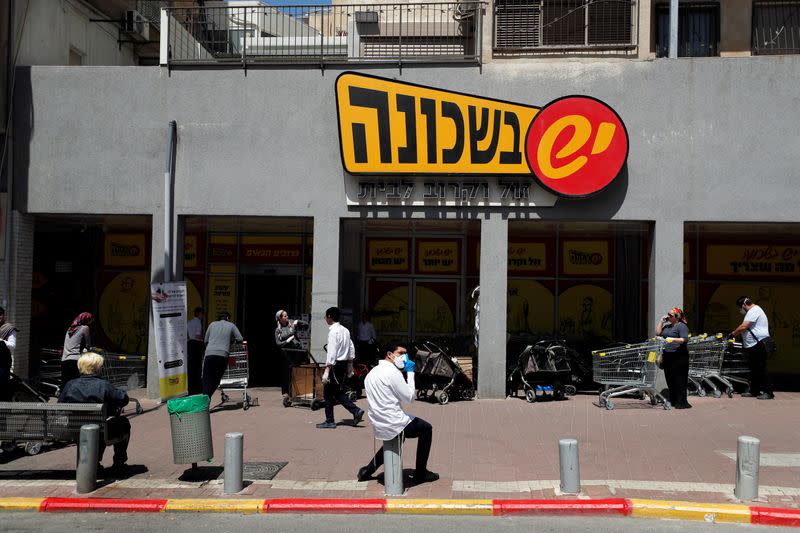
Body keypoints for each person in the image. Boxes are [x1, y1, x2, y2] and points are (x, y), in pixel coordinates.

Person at [356, 341, 439, 485]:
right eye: (401, 353)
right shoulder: (392, 372)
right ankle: (421, 472)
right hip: (394, 421)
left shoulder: (372, 372)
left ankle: (367, 471)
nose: (404, 357)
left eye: (406, 354)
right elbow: (410, 397)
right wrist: (411, 373)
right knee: (426, 429)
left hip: (378, 421)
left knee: (397, 437)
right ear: (389, 355)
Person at [58, 352, 130, 472]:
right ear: (97, 368)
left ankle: (94, 462)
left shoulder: (70, 385)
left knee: (100, 425)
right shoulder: (104, 385)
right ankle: (119, 461)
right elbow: (123, 399)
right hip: (101, 430)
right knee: (124, 422)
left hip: (75, 430)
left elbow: (60, 404)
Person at [316, 306, 363, 429]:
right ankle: (336, 417)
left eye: (326, 316)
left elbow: (331, 353)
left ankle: (349, 413)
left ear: (330, 317)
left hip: (335, 365)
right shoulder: (345, 330)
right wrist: (350, 366)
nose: (325, 319)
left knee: (332, 393)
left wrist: (327, 371)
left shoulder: (333, 332)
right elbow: (351, 348)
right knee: (334, 392)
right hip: (342, 365)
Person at [731, 296, 774, 400]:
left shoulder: (754, 310)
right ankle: (754, 390)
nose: (740, 310)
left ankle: (768, 392)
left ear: (744, 305)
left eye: (740, 308)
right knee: (754, 369)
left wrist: (733, 334)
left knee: (761, 368)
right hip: (753, 345)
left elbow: (743, 326)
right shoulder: (753, 311)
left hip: (758, 344)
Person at [655, 307, 691, 409]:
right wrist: (661, 321)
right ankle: (673, 400)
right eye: (668, 314)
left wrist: (673, 339)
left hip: (679, 356)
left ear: (677, 317)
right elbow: (658, 333)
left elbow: (684, 339)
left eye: (670, 315)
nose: (668, 316)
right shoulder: (667, 326)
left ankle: (681, 402)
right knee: (670, 379)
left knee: (679, 379)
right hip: (668, 356)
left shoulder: (681, 326)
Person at [201, 310, 243, 397]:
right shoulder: (232, 325)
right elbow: (240, 339)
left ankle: (205, 400)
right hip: (223, 355)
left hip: (209, 354)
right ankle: (207, 398)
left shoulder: (212, 324)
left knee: (207, 378)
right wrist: (231, 342)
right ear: (227, 318)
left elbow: (205, 341)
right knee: (216, 379)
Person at [275, 309, 301, 401]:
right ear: (280, 318)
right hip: (286, 354)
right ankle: (286, 392)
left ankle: (295, 391)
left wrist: (298, 322)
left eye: (287, 315)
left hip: (295, 352)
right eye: (285, 316)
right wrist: (286, 341)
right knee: (286, 374)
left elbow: (303, 325)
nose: (287, 317)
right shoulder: (278, 330)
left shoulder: (291, 324)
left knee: (295, 372)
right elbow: (278, 343)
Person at [61, 312, 93, 387]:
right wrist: (88, 350)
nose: (90, 323)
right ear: (86, 320)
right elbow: (88, 345)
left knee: (65, 385)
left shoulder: (69, 329)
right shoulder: (85, 328)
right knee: (76, 385)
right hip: (75, 360)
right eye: (89, 320)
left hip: (64, 360)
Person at [186, 307, 205, 395]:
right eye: (202, 314)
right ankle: (197, 387)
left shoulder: (189, 322)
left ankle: (190, 386)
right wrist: (204, 338)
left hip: (190, 344)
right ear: (198, 314)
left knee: (190, 366)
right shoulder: (198, 322)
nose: (202, 316)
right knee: (197, 367)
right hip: (196, 345)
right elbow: (197, 336)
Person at [0, 307, 17, 401]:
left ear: (4, 316)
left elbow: (12, 346)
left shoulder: (9, 328)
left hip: (3, 363)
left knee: (2, 387)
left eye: (0, 314)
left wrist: (2, 341)